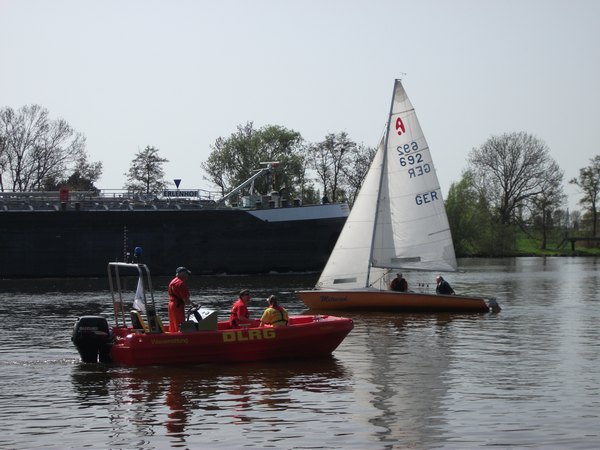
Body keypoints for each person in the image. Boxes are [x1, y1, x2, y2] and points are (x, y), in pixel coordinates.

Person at [168, 267, 192, 332]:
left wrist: (192, 304)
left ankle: (172, 334)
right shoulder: (181, 284)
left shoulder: (173, 281)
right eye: (187, 274)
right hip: (177, 306)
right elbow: (186, 301)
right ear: (182, 274)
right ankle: (180, 336)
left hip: (171, 304)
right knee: (180, 324)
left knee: (173, 323)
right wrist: (192, 304)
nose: (187, 276)